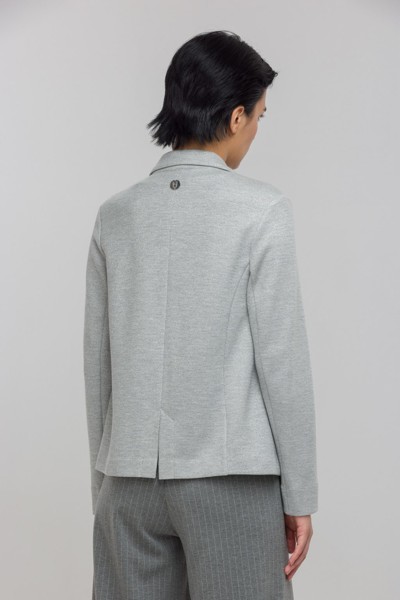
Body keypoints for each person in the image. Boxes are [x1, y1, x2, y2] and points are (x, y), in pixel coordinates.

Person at [84, 29, 318, 600]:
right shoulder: (261, 211)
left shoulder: (116, 215)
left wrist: (104, 484)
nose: (256, 130)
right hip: (230, 480)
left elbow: (98, 365)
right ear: (236, 117)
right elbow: (282, 364)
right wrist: (300, 496)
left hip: (127, 482)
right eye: (259, 116)